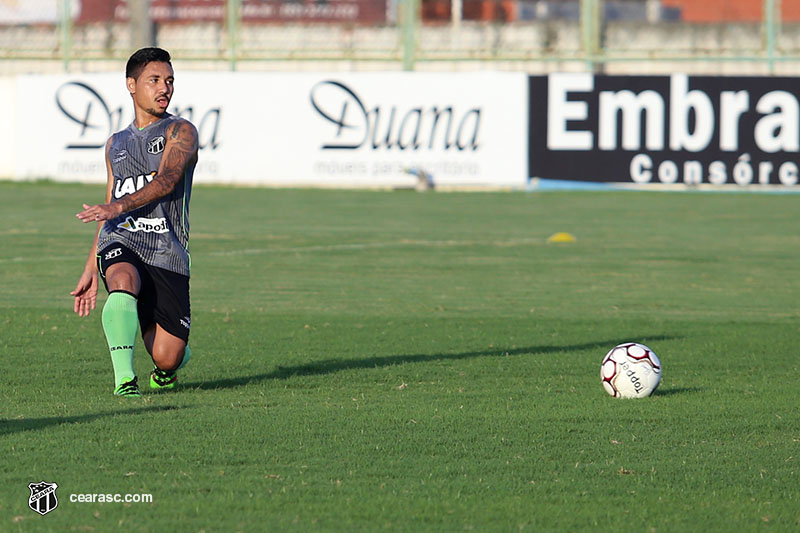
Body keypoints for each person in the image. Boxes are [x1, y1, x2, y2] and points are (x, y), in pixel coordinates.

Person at [71, 47, 199, 396]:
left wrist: (117, 207)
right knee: (122, 279)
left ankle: (167, 368)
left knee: (167, 355)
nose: (164, 88)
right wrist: (89, 269)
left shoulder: (181, 131)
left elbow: (166, 182)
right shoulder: (116, 143)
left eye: (169, 81)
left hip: (166, 252)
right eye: (154, 80)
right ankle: (124, 381)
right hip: (122, 239)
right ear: (132, 85)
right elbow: (109, 208)